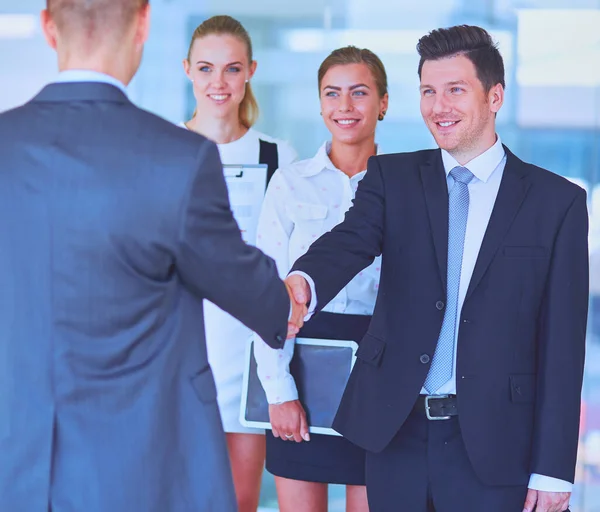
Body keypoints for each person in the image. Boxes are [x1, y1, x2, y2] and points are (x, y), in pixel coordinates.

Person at [0, 1, 306, 511]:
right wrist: (284, 301)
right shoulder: (178, 157)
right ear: (143, 23)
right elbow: (237, 277)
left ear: (47, 26)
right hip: (133, 463)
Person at [286, 25, 588, 512]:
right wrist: (302, 281)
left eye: (455, 90)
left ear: (495, 97)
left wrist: (554, 470)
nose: (438, 106)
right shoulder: (393, 177)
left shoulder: (557, 203)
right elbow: (348, 242)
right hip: (395, 435)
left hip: (496, 445)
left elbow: (564, 347)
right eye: (428, 90)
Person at [254, 45, 389, 512]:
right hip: (301, 367)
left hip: (376, 374)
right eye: (332, 94)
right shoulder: (289, 183)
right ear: (319, 103)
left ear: (384, 103)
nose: (345, 107)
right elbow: (267, 294)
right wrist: (279, 391)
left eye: (359, 93)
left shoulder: (404, 187)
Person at [180, 15, 297, 511]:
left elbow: (290, 267)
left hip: (249, 358)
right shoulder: (165, 148)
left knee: (237, 501)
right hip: (178, 353)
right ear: (187, 70)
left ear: (250, 70)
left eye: (231, 69)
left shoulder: (277, 156)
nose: (218, 83)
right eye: (206, 68)